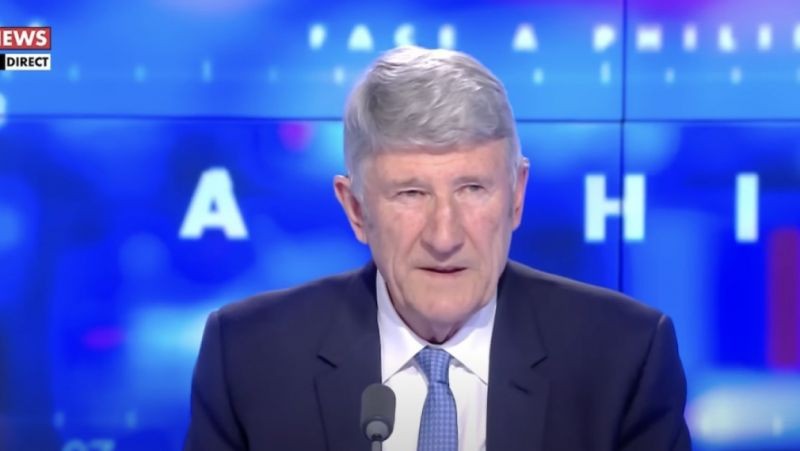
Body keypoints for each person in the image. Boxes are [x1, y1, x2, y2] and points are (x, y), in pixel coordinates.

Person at [184, 45, 691, 451]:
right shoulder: (250, 356)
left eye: (473, 189)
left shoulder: (624, 357)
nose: (444, 237)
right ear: (356, 209)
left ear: (516, 196)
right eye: (410, 193)